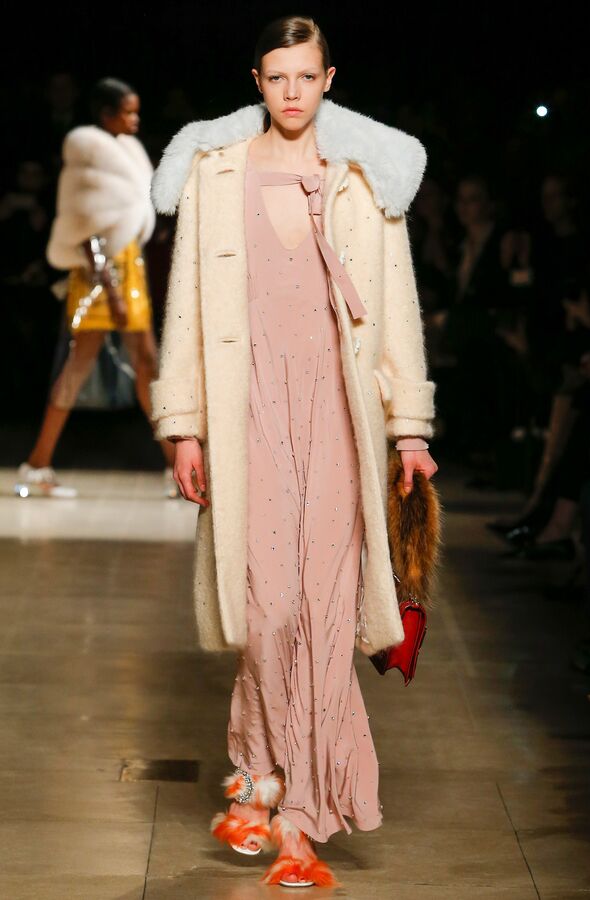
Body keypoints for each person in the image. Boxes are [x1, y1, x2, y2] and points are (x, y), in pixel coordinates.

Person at [149, 15, 438, 887]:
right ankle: (256, 777)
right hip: (250, 419)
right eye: (277, 77)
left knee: (325, 617)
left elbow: (396, 304)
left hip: (340, 417)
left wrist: (410, 427)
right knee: (269, 612)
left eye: (306, 77)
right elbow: (186, 305)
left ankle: (298, 822)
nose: (292, 92)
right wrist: (184, 424)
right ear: (257, 81)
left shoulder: (362, 177)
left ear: (328, 79)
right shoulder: (217, 173)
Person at [14, 77, 177, 499]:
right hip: (99, 276)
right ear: (107, 114)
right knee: (80, 365)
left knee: (147, 363)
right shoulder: (86, 152)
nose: (135, 118)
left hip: (128, 267)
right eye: (127, 111)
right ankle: (38, 463)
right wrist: (111, 287)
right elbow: (83, 225)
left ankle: (174, 467)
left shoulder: (128, 152)